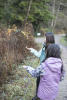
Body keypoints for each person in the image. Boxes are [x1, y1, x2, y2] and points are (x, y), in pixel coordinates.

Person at [26, 32, 55, 100]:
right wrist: (31, 50)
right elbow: (39, 55)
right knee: (38, 81)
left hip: (48, 69)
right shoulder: (44, 46)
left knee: (47, 84)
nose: (44, 38)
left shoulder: (52, 48)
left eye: (45, 37)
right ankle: (38, 95)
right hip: (42, 67)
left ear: (49, 39)